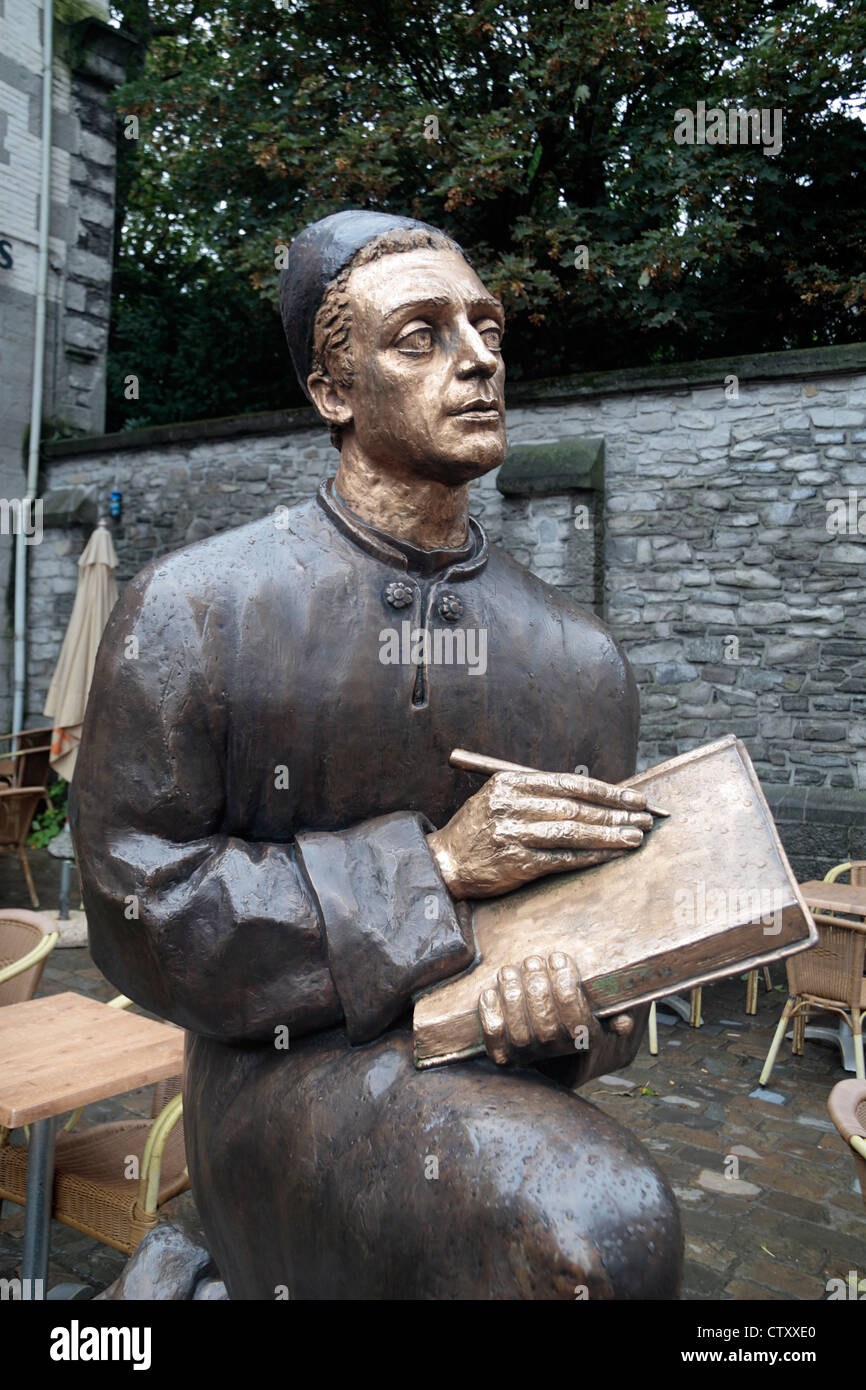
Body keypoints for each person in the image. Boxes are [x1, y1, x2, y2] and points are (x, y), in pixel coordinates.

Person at [71, 210, 682, 1299]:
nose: (479, 356)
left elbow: (609, 961)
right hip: (284, 1075)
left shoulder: (579, 656)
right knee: (602, 1231)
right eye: (422, 334)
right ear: (332, 392)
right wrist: (435, 869)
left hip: (494, 1080)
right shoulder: (197, 610)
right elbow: (136, 909)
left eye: (486, 326)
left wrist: (577, 1018)